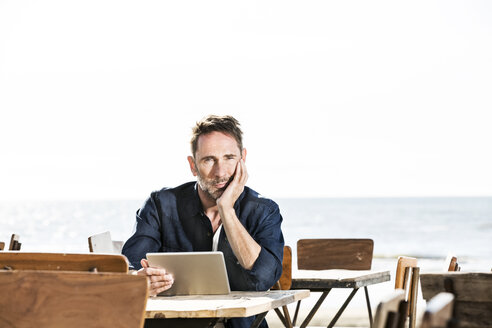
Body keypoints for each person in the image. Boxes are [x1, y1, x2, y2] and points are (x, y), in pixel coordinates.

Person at [122, 115, 284, 328]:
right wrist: (141, 279)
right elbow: (130, 267)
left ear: (242, 159)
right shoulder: (160, 205)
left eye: (229, 158)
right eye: (209, 160)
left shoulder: (265, 211)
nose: (220, 172)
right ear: (193, 165)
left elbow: (263, 278)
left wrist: (227, 209)